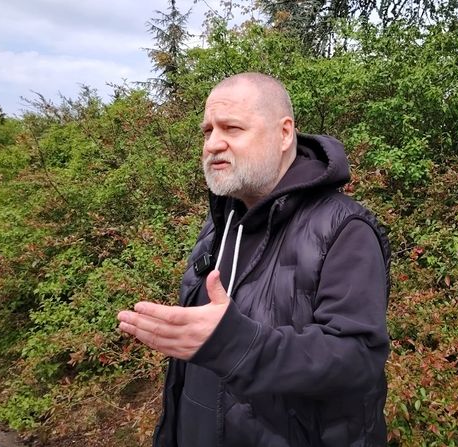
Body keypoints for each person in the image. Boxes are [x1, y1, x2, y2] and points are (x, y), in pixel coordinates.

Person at [117, 72, 390, 447]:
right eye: (207, 131)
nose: (213, 143)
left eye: (231, 128)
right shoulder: (220, 223)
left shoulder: (343, 228)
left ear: (284, 134)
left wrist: (236, 344)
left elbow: (358, 359)